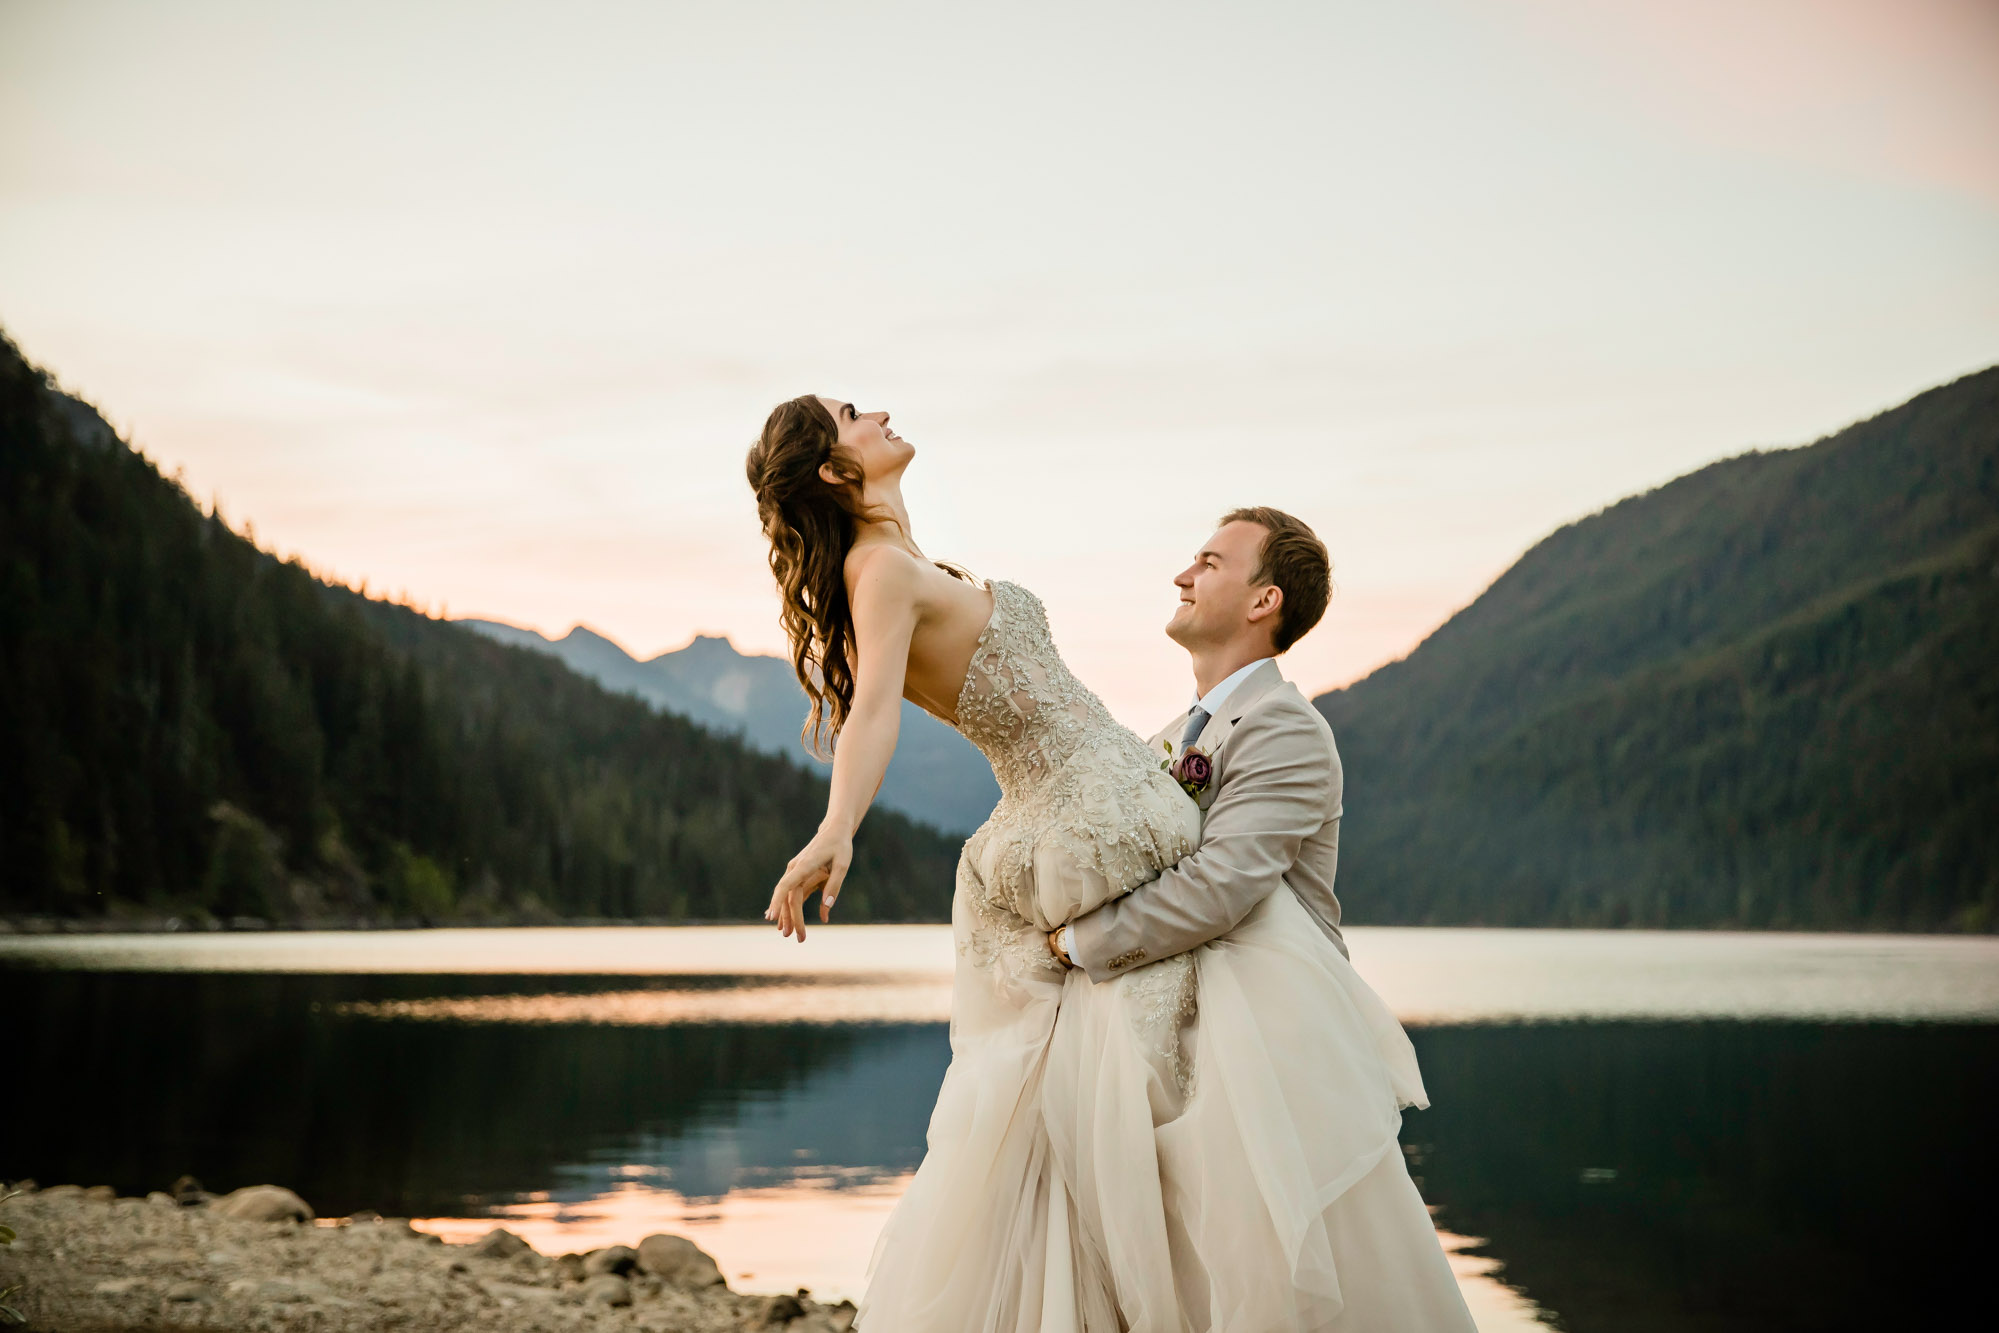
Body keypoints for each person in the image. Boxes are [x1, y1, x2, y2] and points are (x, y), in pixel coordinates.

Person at [748, 395, 1475, 1332]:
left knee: (1096, 1113)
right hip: (1072, 813)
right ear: (834, 473)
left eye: (1209, 561)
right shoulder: (880, 567)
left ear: (1263, 602)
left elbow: (1226, 880)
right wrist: (837, 825)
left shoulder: (904, 564)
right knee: (1135, 1130)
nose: (877, 411)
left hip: (1086, 822)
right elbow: (873, 710)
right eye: (852, 415)